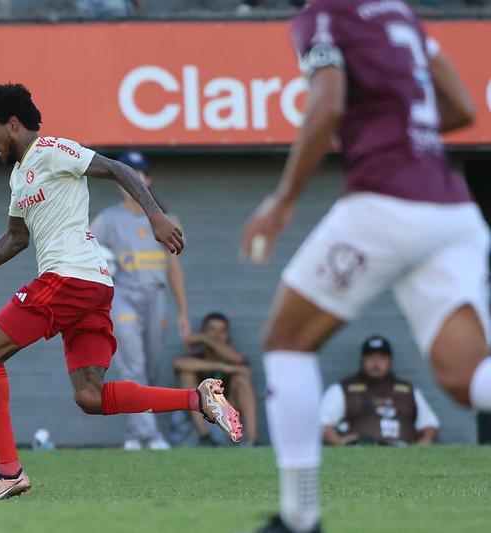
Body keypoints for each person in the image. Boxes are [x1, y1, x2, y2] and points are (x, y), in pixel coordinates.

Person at [0, 83, 242, 501]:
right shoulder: (20, 176)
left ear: (13, 124)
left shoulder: (52, 149)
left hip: (69, 279)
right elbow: (15, 238)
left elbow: (117, 169)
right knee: (90, 396)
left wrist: (155, 217)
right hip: (89, 288)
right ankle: (198, 399)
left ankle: (8, 471)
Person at [240, 0, 491, 530]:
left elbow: (327, 102)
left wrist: (282, 200)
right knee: (468, 380)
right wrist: (386, 129)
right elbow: (463, 109)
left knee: (286, 342)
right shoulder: (400, 14)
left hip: (385, 205)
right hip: (453, 210)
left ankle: (300, 516)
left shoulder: (323, 15)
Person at [91, 151, 191, 451]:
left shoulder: (167, 219)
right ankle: (150, 435)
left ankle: (134, 434)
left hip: (155, 297)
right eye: (127, 174)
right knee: (133, 364)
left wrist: (183, 312)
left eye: (139, 173)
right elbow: (87, 253)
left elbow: (174, 268)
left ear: (148, 179)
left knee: (150, 366)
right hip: (123, 298)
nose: (133, 180)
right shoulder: (107, 220)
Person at [320, 335, 439, 447]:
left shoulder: (408, 390)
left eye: (382, 357)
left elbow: (429, 425)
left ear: (390, 360)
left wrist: (422, 446)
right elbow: (322, 422)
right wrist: (338, 442)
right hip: (360, 452)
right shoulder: (343, 388)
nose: (376, 363)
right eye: (371, 357)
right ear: (362, 360)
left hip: (403, 452)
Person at [173, 312, 258, 446]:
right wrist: (223, 367)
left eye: (221, 331)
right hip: (196, 423)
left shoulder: (234, 357)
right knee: (186, 376)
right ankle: (205, 437)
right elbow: (179, 364)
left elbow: (239, 360)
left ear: (228, 336)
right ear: (203, 333)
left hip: (227, 422)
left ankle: (253, 441)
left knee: (242, 379)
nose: (216, 335)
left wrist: (206, 339)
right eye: (211, 330)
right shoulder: (196, 358)